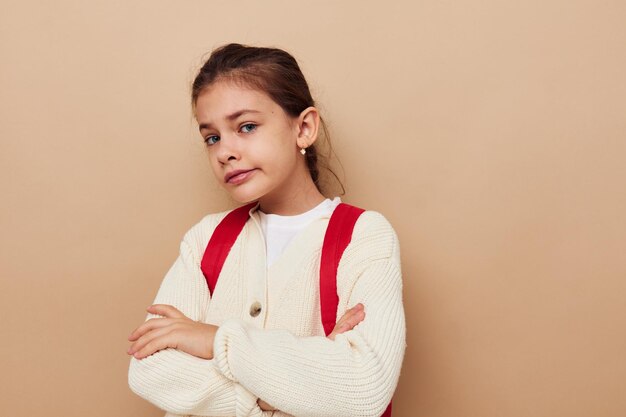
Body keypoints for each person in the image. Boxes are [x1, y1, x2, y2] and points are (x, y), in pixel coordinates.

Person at [127, 43, 406, 417]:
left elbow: (363, 387)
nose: (225, 150)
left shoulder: (363, 235)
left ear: (303, 128)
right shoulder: (206, 239)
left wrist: (214, 340)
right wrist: (285, 391)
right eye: (212, 137)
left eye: (246, 127)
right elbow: (149, 368)